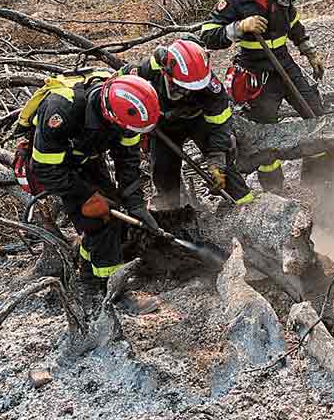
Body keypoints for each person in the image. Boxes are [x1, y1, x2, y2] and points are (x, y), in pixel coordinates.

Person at [201, 0, 334, 192]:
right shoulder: (234, 1)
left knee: (315, 112)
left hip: (285, 63)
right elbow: (207, 35)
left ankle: (318, 176)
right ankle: (274, 189)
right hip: (256, 71)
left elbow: (293, 22)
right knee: (265, 134)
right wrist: (239, 27)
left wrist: (309, 51)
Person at [28, 74, 161, 301]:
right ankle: (115, 292)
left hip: (86, 157)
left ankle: (88, 276)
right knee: (101, 220)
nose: (129, 134)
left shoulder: (123, 114)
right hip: (56, 167)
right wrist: (86, 196)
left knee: (114, 209)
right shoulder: (61, 110)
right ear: (109, 116)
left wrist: (135, 202)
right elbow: (44, 169)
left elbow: (127, 160)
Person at [120, 38, 254, 211]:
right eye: (182, 87)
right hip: (163, 126)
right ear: (166, 72)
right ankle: (174, 214)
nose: (187, 92)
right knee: (163, 171)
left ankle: (247, 206)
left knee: (224, 168)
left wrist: (217, 158)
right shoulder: (146, 70)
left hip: (198, 121)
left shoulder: (212, 89)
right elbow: (120, 88)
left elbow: (219, 126)